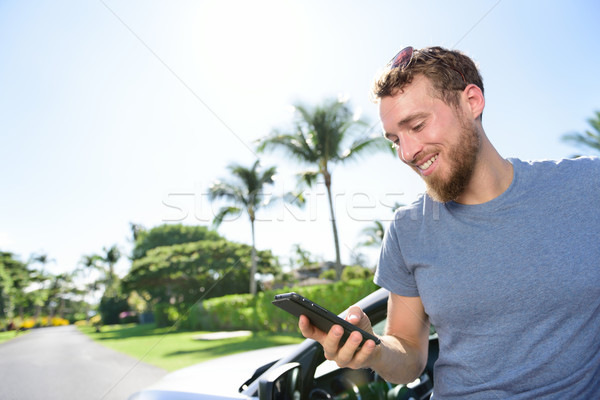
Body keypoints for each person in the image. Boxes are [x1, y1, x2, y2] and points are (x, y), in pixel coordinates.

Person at [299, 46, 600, 399]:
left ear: (471, 101)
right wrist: (375, 349)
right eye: (395, 139)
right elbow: (409, 354)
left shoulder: (587, 186)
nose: (407, 153)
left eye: (417, 125)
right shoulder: (407, 229)